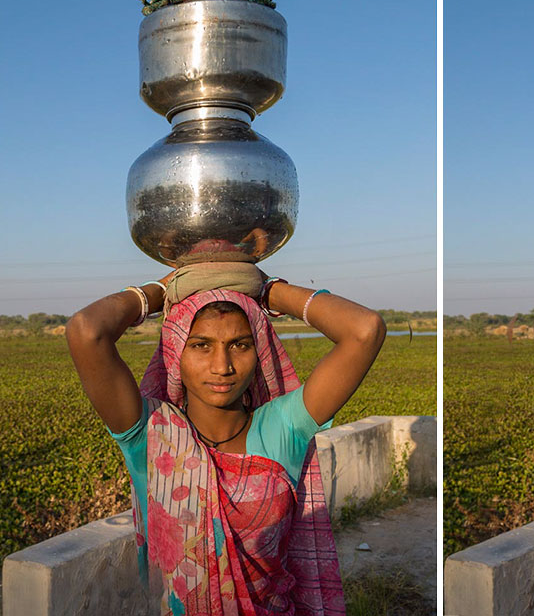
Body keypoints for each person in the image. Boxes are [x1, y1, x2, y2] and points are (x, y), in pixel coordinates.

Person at [66, 263, 386, 615]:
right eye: (201, 345)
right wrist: (163, 290)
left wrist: (266, 290)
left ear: (259, 350)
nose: (222, 366)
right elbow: (86, 332)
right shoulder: (151, 434)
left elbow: (365, 330)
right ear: (175, 353)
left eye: (239, 344)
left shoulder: (282, 427)